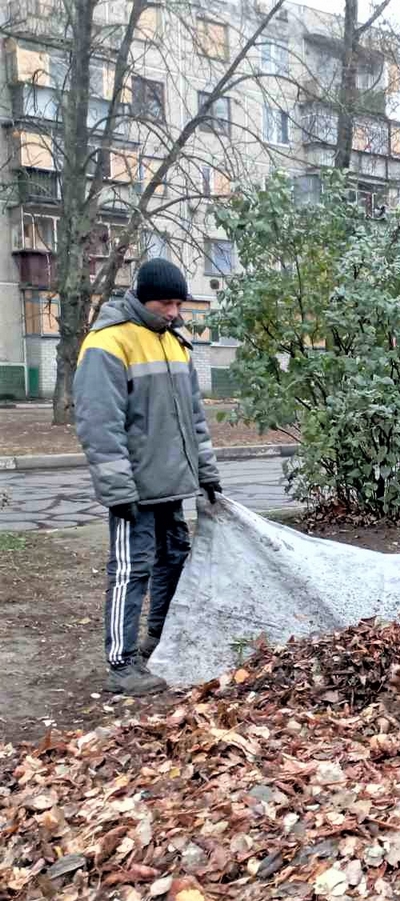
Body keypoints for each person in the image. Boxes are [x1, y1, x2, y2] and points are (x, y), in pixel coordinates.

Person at [73, 258, 221, 697]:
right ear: (141, 297)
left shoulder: (174, 343)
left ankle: (159, 638)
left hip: (171, 485)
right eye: (166, 303)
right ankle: (121, 663)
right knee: (130, 571)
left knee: (173, 560)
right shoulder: (109, 342)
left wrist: (207, 474)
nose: (174, 312)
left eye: (179, 303)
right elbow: (100, 424)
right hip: (134, 490)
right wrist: (117, 490)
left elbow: (194, 420)